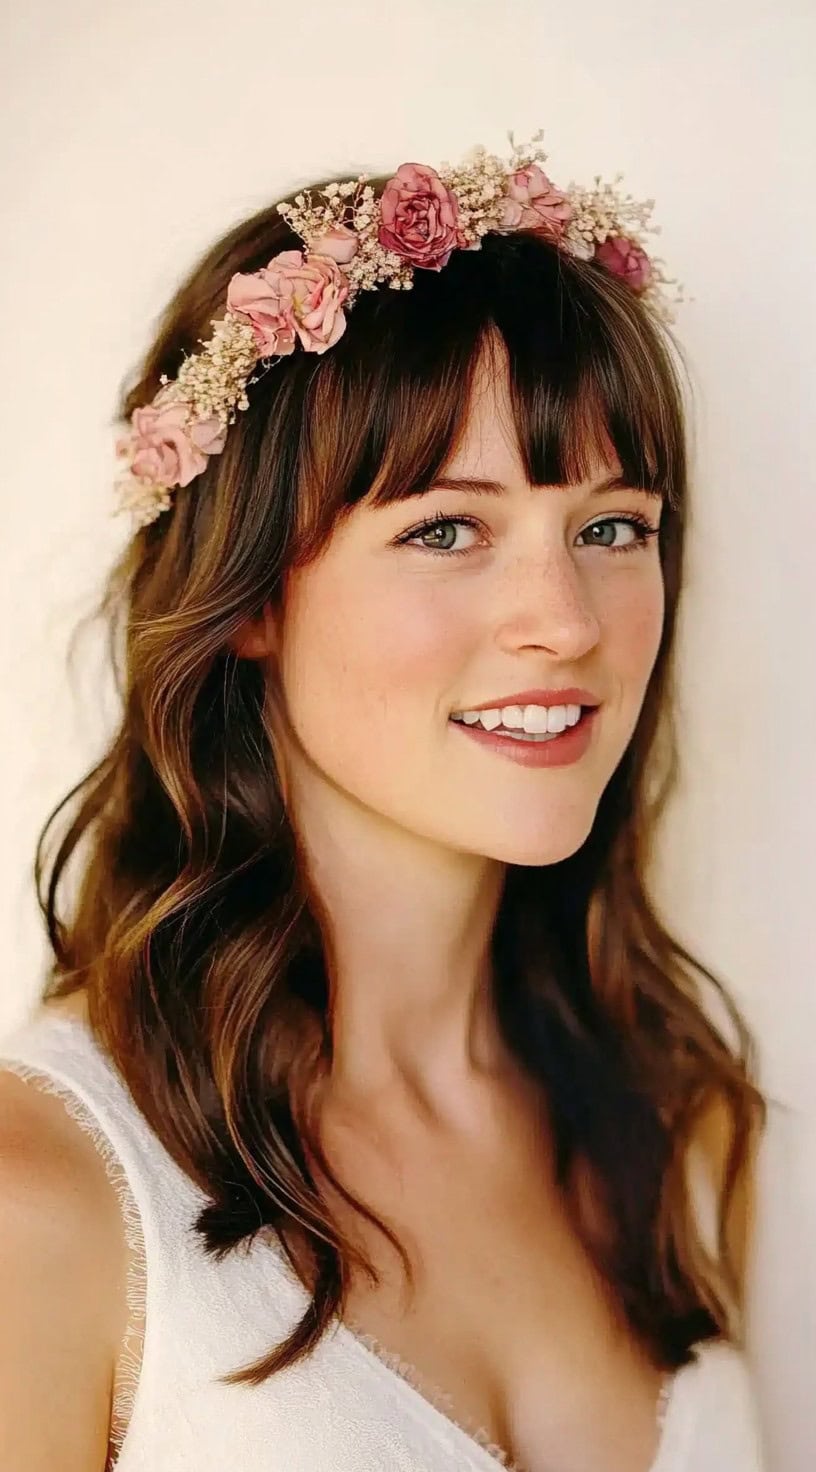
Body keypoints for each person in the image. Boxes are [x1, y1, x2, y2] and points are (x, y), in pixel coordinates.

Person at [0, 132, 769, 1471]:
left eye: (612, 528)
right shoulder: (47, 1198)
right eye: (446, 530)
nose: (565, 624)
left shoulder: (683, 1131)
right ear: (249, 602)